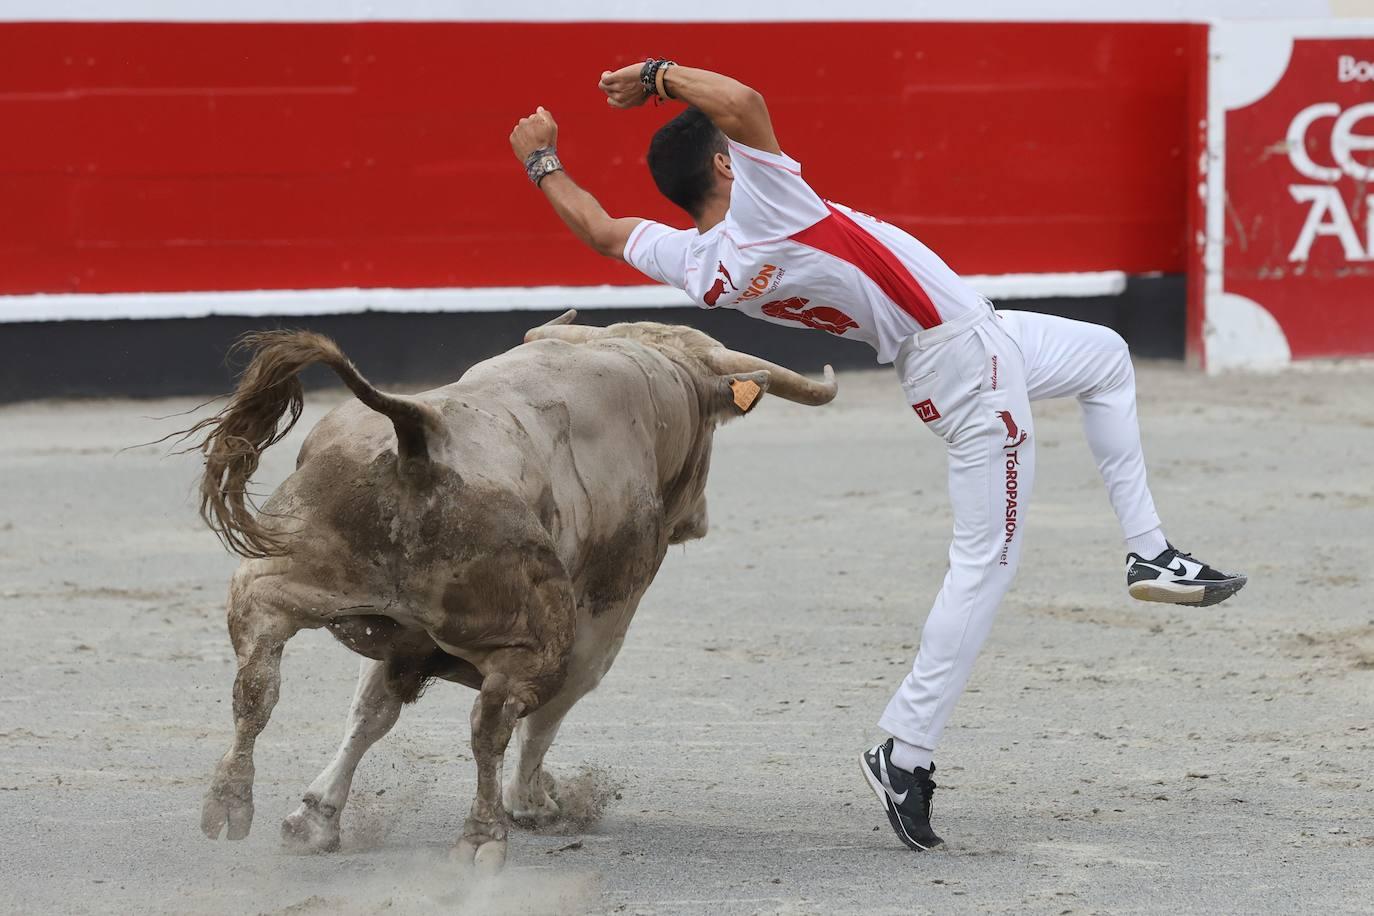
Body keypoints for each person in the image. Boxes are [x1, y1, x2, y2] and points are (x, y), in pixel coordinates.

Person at [508, 60, 1246, 851]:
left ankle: (1151, 553)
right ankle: (906, 750)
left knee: (1104, 355)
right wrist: (657, 76)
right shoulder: (769, 208)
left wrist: (540, 160)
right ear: (726, 165)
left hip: (971, 342)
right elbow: (746, 99)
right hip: (964, 359)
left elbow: (599, 229)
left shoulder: (698, 259)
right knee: (986, 562)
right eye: (732, 146)